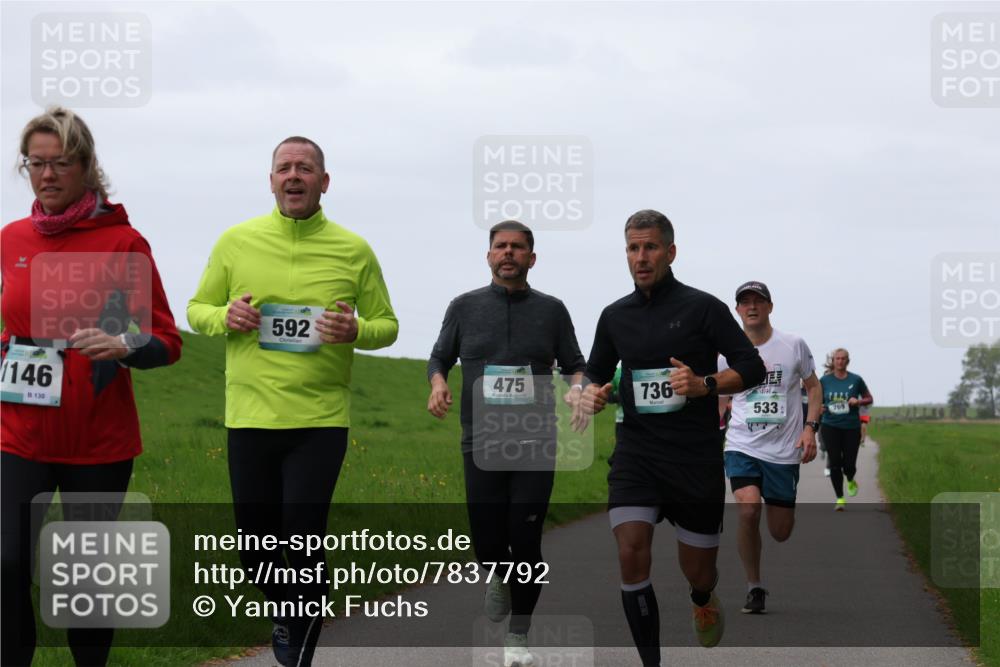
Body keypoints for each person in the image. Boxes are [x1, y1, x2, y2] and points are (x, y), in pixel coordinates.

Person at [187, 136, 398, 666]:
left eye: (306, 168)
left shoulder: (353, 249)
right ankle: (296, 608)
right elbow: (196, 308)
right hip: (250, 416)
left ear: (324, 182)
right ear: (271, 179)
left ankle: (300, 643)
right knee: (256, 553)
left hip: (319, 419)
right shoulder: (236, 241)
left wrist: (354, 329)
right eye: (285, 167)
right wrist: (224, 318)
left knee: (303, 542)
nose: (294, 176)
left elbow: (387, 326)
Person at [1, 106, 182, 666]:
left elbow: (166, 341)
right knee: (6, 563)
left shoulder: (123, 243)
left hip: (96, 441)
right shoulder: (11, 239)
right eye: (37, 163)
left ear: (86, 167)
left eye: (62, 163)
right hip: (18, 433)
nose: (47, 174)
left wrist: (127, 344)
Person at [575, 210, 765, 666]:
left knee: (698, 571)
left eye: (650, 247)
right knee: (630, 551)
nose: (641, 257)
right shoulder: (614, 316)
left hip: (693, 458)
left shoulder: (702, 308)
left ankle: (703, 597)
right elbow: (595, 372)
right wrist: (588, 394)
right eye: (633, 248)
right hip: (637, 455)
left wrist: (705, 385)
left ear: (670, 252)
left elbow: (752, 366)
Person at [427, 220, 586, 667]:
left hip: (536, 442)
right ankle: (497, 574)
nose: (509, 253)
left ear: (531, 258)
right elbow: (439, 356)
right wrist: (438, 384)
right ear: (489, 255)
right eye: (501, 246)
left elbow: (576, 363)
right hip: (481, 442)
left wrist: (577, 388)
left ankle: (518, 636)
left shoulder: (552, 310)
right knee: (488, 540)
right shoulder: (464, 306)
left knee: (526, 538)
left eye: (518, 247)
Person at [719, 281, 822, 614]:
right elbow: (720, 399)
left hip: (783, 450)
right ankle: (754, 587)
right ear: (736, 310)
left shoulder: (792, 345)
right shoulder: (725, 354)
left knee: (780, 532)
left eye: (758, 301)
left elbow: (814, 388)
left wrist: (810, 429)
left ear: (769, 307)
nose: (751, 307)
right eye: (745, 302)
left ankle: (777, 508)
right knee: (748, 510)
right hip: (741, 444)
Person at [820, 348, 873, 511]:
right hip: (830, 426)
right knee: (835, 462)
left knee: (849, 465)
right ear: (833, 361)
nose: (840, 361)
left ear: (847, 361)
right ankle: (840, 498)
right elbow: (817, 400)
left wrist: (858, 402)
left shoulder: (856, 380)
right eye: (837, 358)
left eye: (843, 359)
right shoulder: (825, 380)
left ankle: (850, 479)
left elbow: (869, 398)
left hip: (851, 427)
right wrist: (820, 407)